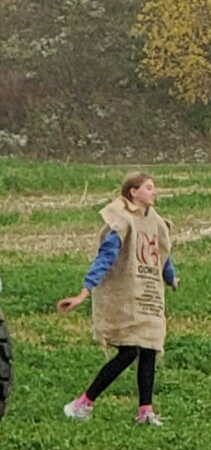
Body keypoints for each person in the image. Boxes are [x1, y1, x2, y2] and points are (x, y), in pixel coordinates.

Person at [59, 173, 178, 426]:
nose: (154, 192)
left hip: (148, 296)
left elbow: (161, 253)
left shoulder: (154, 221)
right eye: (148, 187)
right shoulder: (122, 219)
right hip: (126, 295)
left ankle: (145, 411)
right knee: (129, 351)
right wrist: (84, 291)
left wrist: (171, 278)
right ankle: (82, 403)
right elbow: (106, 256)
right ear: (133, 192)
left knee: (149, 349)